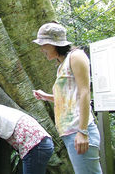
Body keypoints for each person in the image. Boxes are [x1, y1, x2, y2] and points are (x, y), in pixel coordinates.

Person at [32, 22, 102, 174]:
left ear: (54, 43)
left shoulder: (76, 57)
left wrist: (83, 131)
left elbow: (85, 93)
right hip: (71, 132)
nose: (41, 49)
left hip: (80, 130)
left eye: (43, 44)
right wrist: (46, 97)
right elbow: (71, 99)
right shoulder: (62, 64)